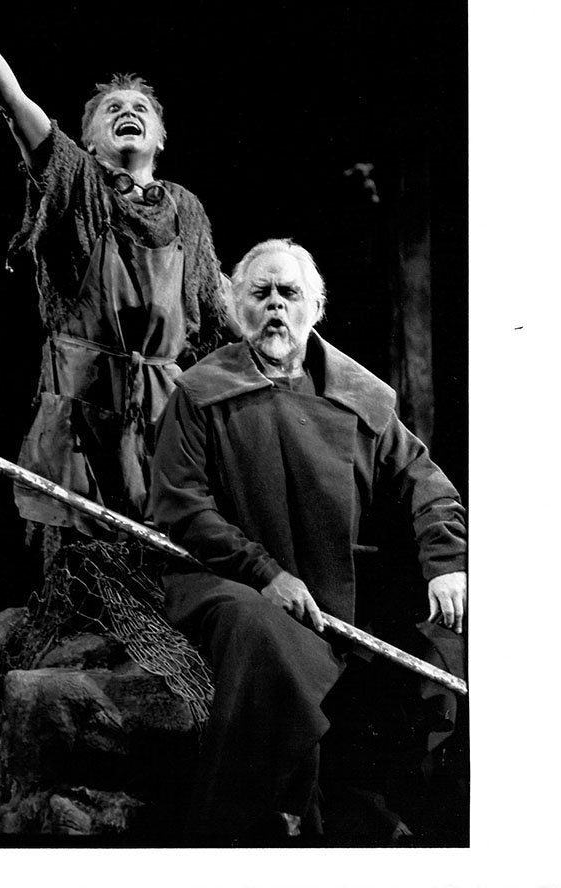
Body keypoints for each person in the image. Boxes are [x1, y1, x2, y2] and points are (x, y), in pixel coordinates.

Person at [150, 237, 467, 844]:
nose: (276, 305)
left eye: (289, 293)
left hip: (332, 588)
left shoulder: (360, 396)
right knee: (263, 634)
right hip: (226, 578)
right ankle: (251, 828)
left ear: (315, 308)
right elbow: (181, 506)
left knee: (439, 647)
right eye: (260, 292)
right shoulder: (198, 392)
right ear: (235, 307)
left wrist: (446, 561)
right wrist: (264, 573)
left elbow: (427, 487)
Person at [0, 0, 233, 567]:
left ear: (161, 138)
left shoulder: (186, 209)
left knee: (162, 566)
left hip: (162, 417)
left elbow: (221, 306)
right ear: (89, 138)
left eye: (141, 107)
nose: (128, 112)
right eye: (111, 108)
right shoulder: (76, 180)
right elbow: (15, 106)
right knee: (83, 565)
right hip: (82, 413)